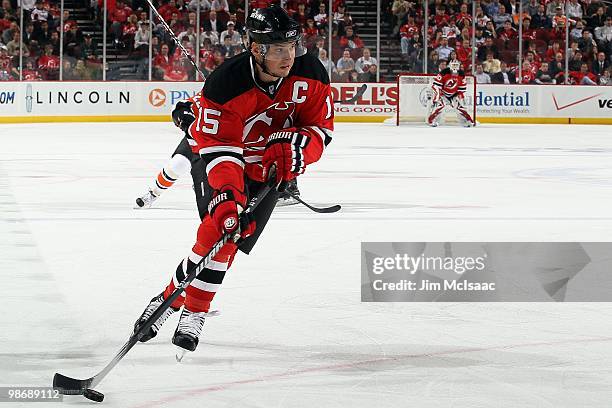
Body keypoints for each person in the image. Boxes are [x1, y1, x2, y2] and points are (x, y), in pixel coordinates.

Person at [133, 5, 334, 357]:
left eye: (291, 47)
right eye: (276, 49)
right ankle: (186, 306)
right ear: (255, 48)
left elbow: (319, 129)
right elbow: (221, 150)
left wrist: (299, 148)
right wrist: (226, 194)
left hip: (266, 172)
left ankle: (175, 299)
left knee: (229, 238)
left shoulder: (312, 73)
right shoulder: (226, 83)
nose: (287, 57)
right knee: (220, 226)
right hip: (224, 162)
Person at [428, 60, 474, 127]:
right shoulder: (444, 72)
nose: (454, 67)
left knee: (460, 107)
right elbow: (436, 86)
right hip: (443, 93)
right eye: (453, 65)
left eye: (456, 65)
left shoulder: (461, 74)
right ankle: (432, 120)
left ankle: (467, 121)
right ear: (450, 65)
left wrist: (459, 98)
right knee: (440, 106)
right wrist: (437, 96)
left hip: (453, 94)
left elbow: (461, 89)